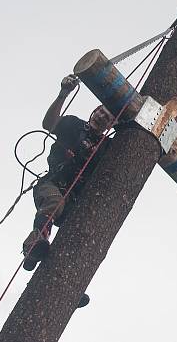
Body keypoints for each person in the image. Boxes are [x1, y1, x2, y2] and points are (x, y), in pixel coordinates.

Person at [22, 75, 113, 287]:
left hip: (73, 201)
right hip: (52, 185)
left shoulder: (106, 148)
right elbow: (49, 123)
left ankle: (70, 283)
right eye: (100, 110)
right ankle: (35, 241)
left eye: (108, 116)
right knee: (56, 203)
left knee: (83, 233)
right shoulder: (73, 125)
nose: (101, 116)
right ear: (94, 110)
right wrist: (63, 93)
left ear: (112, 123)